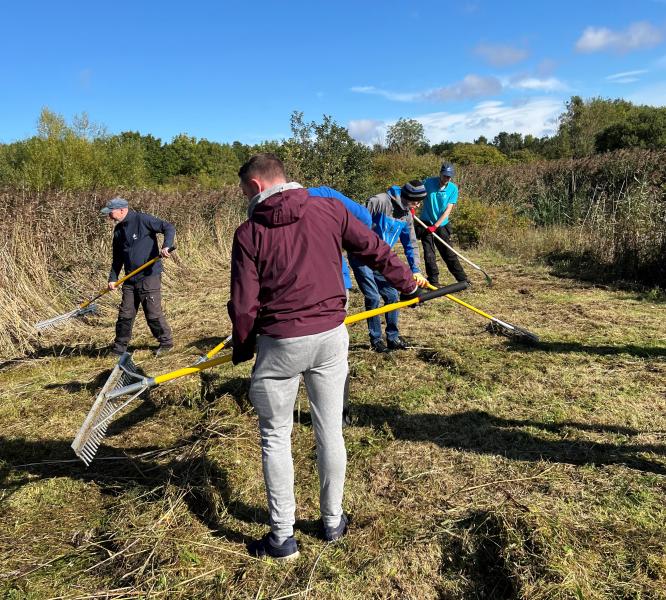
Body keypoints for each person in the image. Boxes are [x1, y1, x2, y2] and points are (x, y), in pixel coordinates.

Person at [228, 154, 422, 560]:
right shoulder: (329, 208)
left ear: (258, 186)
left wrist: (244, 346)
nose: (245, 196)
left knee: (276, 437)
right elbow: (374, 249)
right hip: (331, 336)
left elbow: (244, 304)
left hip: (280, 343)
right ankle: (333, 521)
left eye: (245, 190)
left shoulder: (248, 233)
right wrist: (407, 284)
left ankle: (283, 538)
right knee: (329, 429)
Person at [353, 181, 427, 352]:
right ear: (408, 197)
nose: (417, 205)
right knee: (373, 297)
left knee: (392, 295)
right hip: (362, 257)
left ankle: (392, 338)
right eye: (416, 201)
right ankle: (376, 340)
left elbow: (411, 244)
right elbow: (356, 225)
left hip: (382, 260)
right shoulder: (379, 202)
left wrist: (416, 270)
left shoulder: (407, 215)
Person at [102, 197, 176, 357]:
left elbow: (168, 227)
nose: (109, 216)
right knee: (125, 314)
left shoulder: (142, 219)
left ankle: (166, 342)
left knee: (152, 312)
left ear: (122, 210)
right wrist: (112, 278)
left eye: (111, 213)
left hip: (149, 274)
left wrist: (166, 246)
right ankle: (119, 348)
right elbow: (117, 258)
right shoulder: (118, 231)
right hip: (130, 277)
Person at [416, 162, 468, 285]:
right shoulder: (428, 183)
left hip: (442, 225)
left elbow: (448, 210)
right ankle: (433, 281)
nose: (446, 178)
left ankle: (463, 279)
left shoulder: (453, 189)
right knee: (429, 254)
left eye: (449, 176)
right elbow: (417, 194)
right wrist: (413, 206)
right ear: (440, 173)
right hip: (426, 224)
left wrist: (436, 225)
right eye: (445, 175)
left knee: (448, 253)